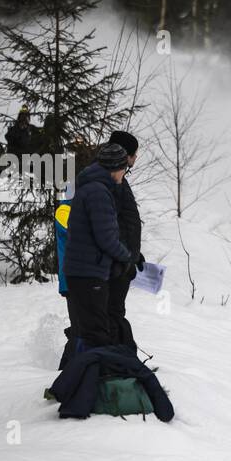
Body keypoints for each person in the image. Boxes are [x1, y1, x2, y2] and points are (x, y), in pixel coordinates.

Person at [63, 143, 134, 351]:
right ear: (116, 168)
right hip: (88, 275)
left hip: (83, 272)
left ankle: (72, 377)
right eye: (124, 169)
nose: (124, 174)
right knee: (97, 336)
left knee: (88, 332)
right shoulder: (98, 192)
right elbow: (106, 238)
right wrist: (127, 257)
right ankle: (87, 381)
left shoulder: (90, 187)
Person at [105, 130, 144, 350]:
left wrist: (134, 254)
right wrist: (124, 256)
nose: (135, 158)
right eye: (134, 154)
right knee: (113, 312)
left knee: (115, 311)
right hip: (115, 263)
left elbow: (125, 222)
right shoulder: (111, 180)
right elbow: (110, 224)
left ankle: (122, 359)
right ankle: (119, 361)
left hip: (122, 259)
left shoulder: (119, 179)